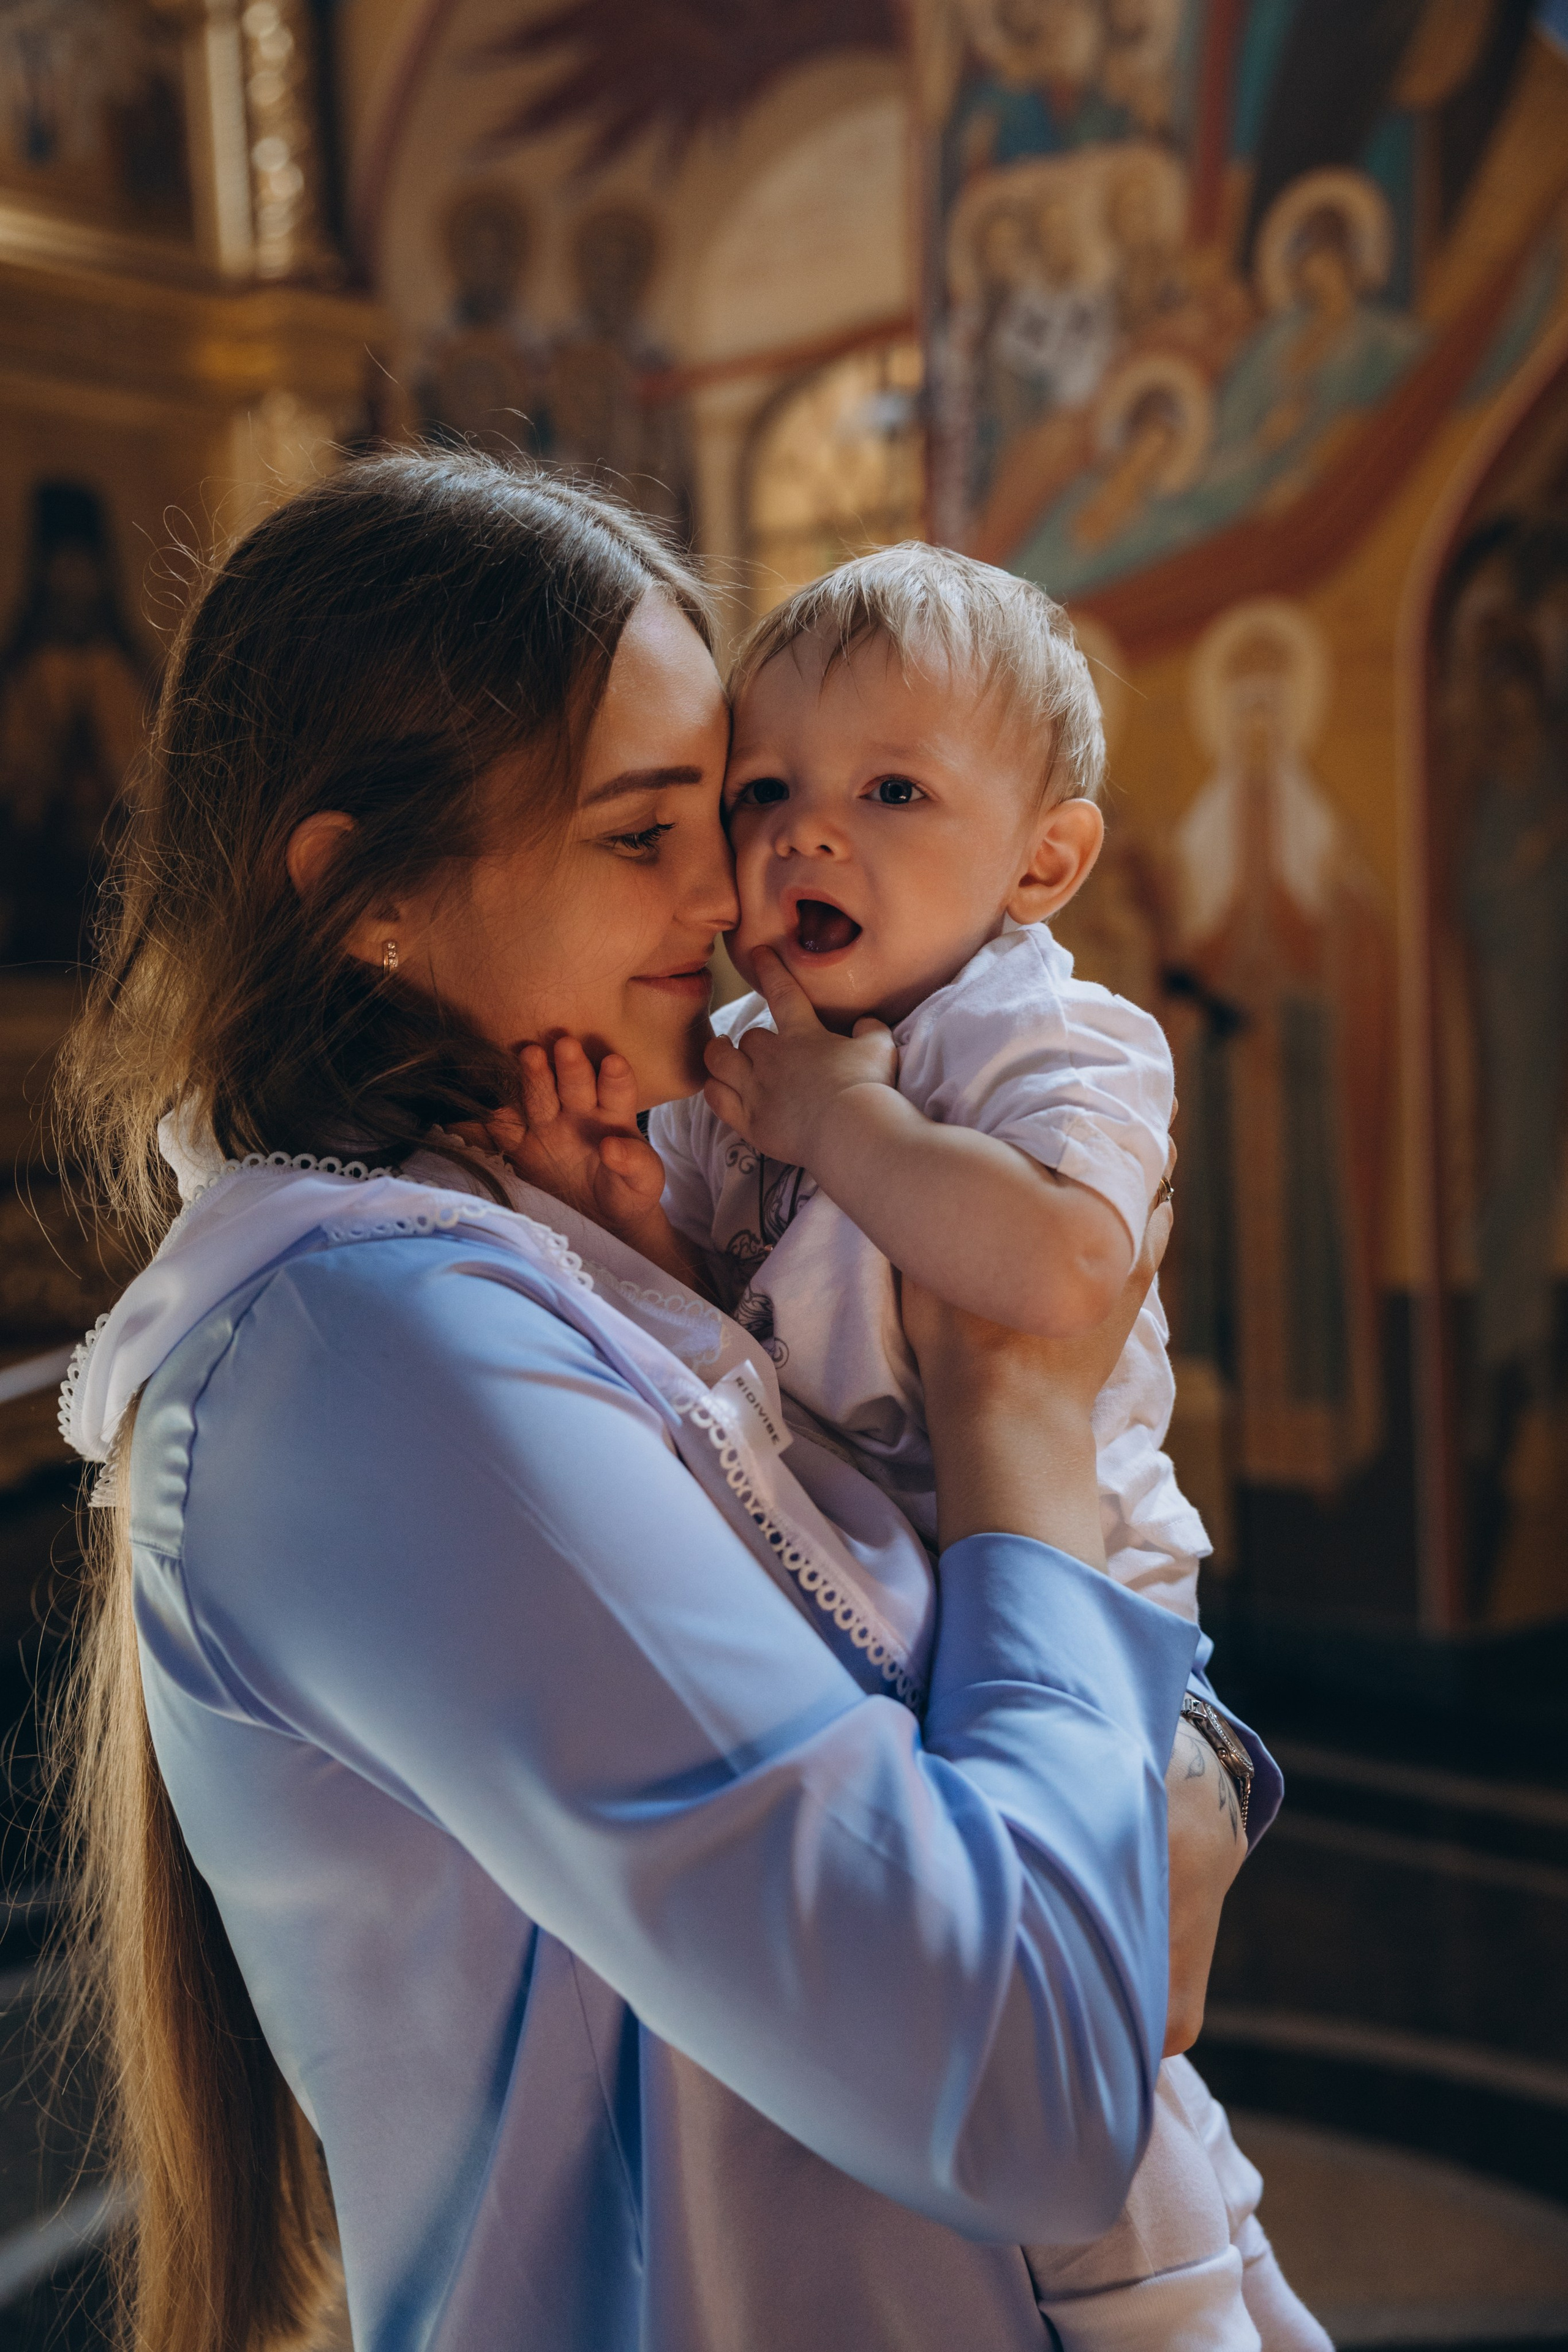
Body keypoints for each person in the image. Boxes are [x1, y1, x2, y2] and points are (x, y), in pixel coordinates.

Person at [56, 453, 1270, 2352]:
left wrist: (1186, 1780)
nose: (735, 892)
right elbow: (1026, 2078)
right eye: (653, 834)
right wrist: (1024, 1438)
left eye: (722, 810)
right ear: (362, 892)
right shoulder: (375, 1346)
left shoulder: (571, 1249)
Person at [569, 541, 1321, 2349]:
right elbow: (726, 1324)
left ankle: (1194, 2316)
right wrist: (625, 1204)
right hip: (881, 1623)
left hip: (1077, 1628)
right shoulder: (755, 1051)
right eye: (768, 791)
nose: (810, 835)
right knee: (954, 2094)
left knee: (1104, 2122)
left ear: (1040, 861)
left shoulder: (1043, 1031)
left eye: (894, 792)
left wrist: (846, 1124)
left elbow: (1059, 1269)